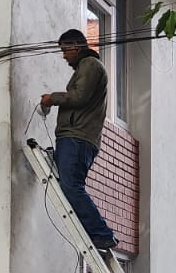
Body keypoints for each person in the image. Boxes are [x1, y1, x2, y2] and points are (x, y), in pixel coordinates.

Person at [40, 29, 118, 250]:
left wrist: (51, 99)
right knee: (69, 184)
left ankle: (101, 234)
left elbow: (79, 97)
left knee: (71, 186)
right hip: (76, 137)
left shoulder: (90, 66)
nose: (64, 56)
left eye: (65, 51)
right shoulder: (88, 67)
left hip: (77, 136)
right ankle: (98, 232)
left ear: (75, 46)